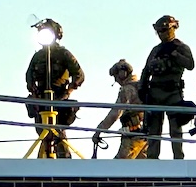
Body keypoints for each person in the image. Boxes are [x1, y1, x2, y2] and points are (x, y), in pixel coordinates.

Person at [25, 19, 85, 158]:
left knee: (58, 135)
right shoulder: (38, 56)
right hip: (41, 99)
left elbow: (79, 75)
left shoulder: (63, 54)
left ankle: (64, 164)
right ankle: (45, 163)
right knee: (43, 133)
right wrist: (34, 94)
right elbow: (28, 78)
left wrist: (68, 92)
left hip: (59, 97)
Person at [138, 15, 195, 159]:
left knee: (175, 128)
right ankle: (152, 158)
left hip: (173, 92)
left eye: (163, 30)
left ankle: (178, 158)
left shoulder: (181, 47)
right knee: (153, 129)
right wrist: (142, 88)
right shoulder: (156, 50)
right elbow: (146, 70)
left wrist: (175, 54)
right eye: (159, 31)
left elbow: (190, 65)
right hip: (155, 92)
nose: (161, 34)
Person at [91, 60, 147, 159]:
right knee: (143, 169)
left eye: (115, 77)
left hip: (132, 135)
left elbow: (115, 113)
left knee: (118, 167)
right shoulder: (140, 86)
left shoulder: (127, 89)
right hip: (146, 134)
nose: (116, 80)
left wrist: (99, 130)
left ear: (122, 74)